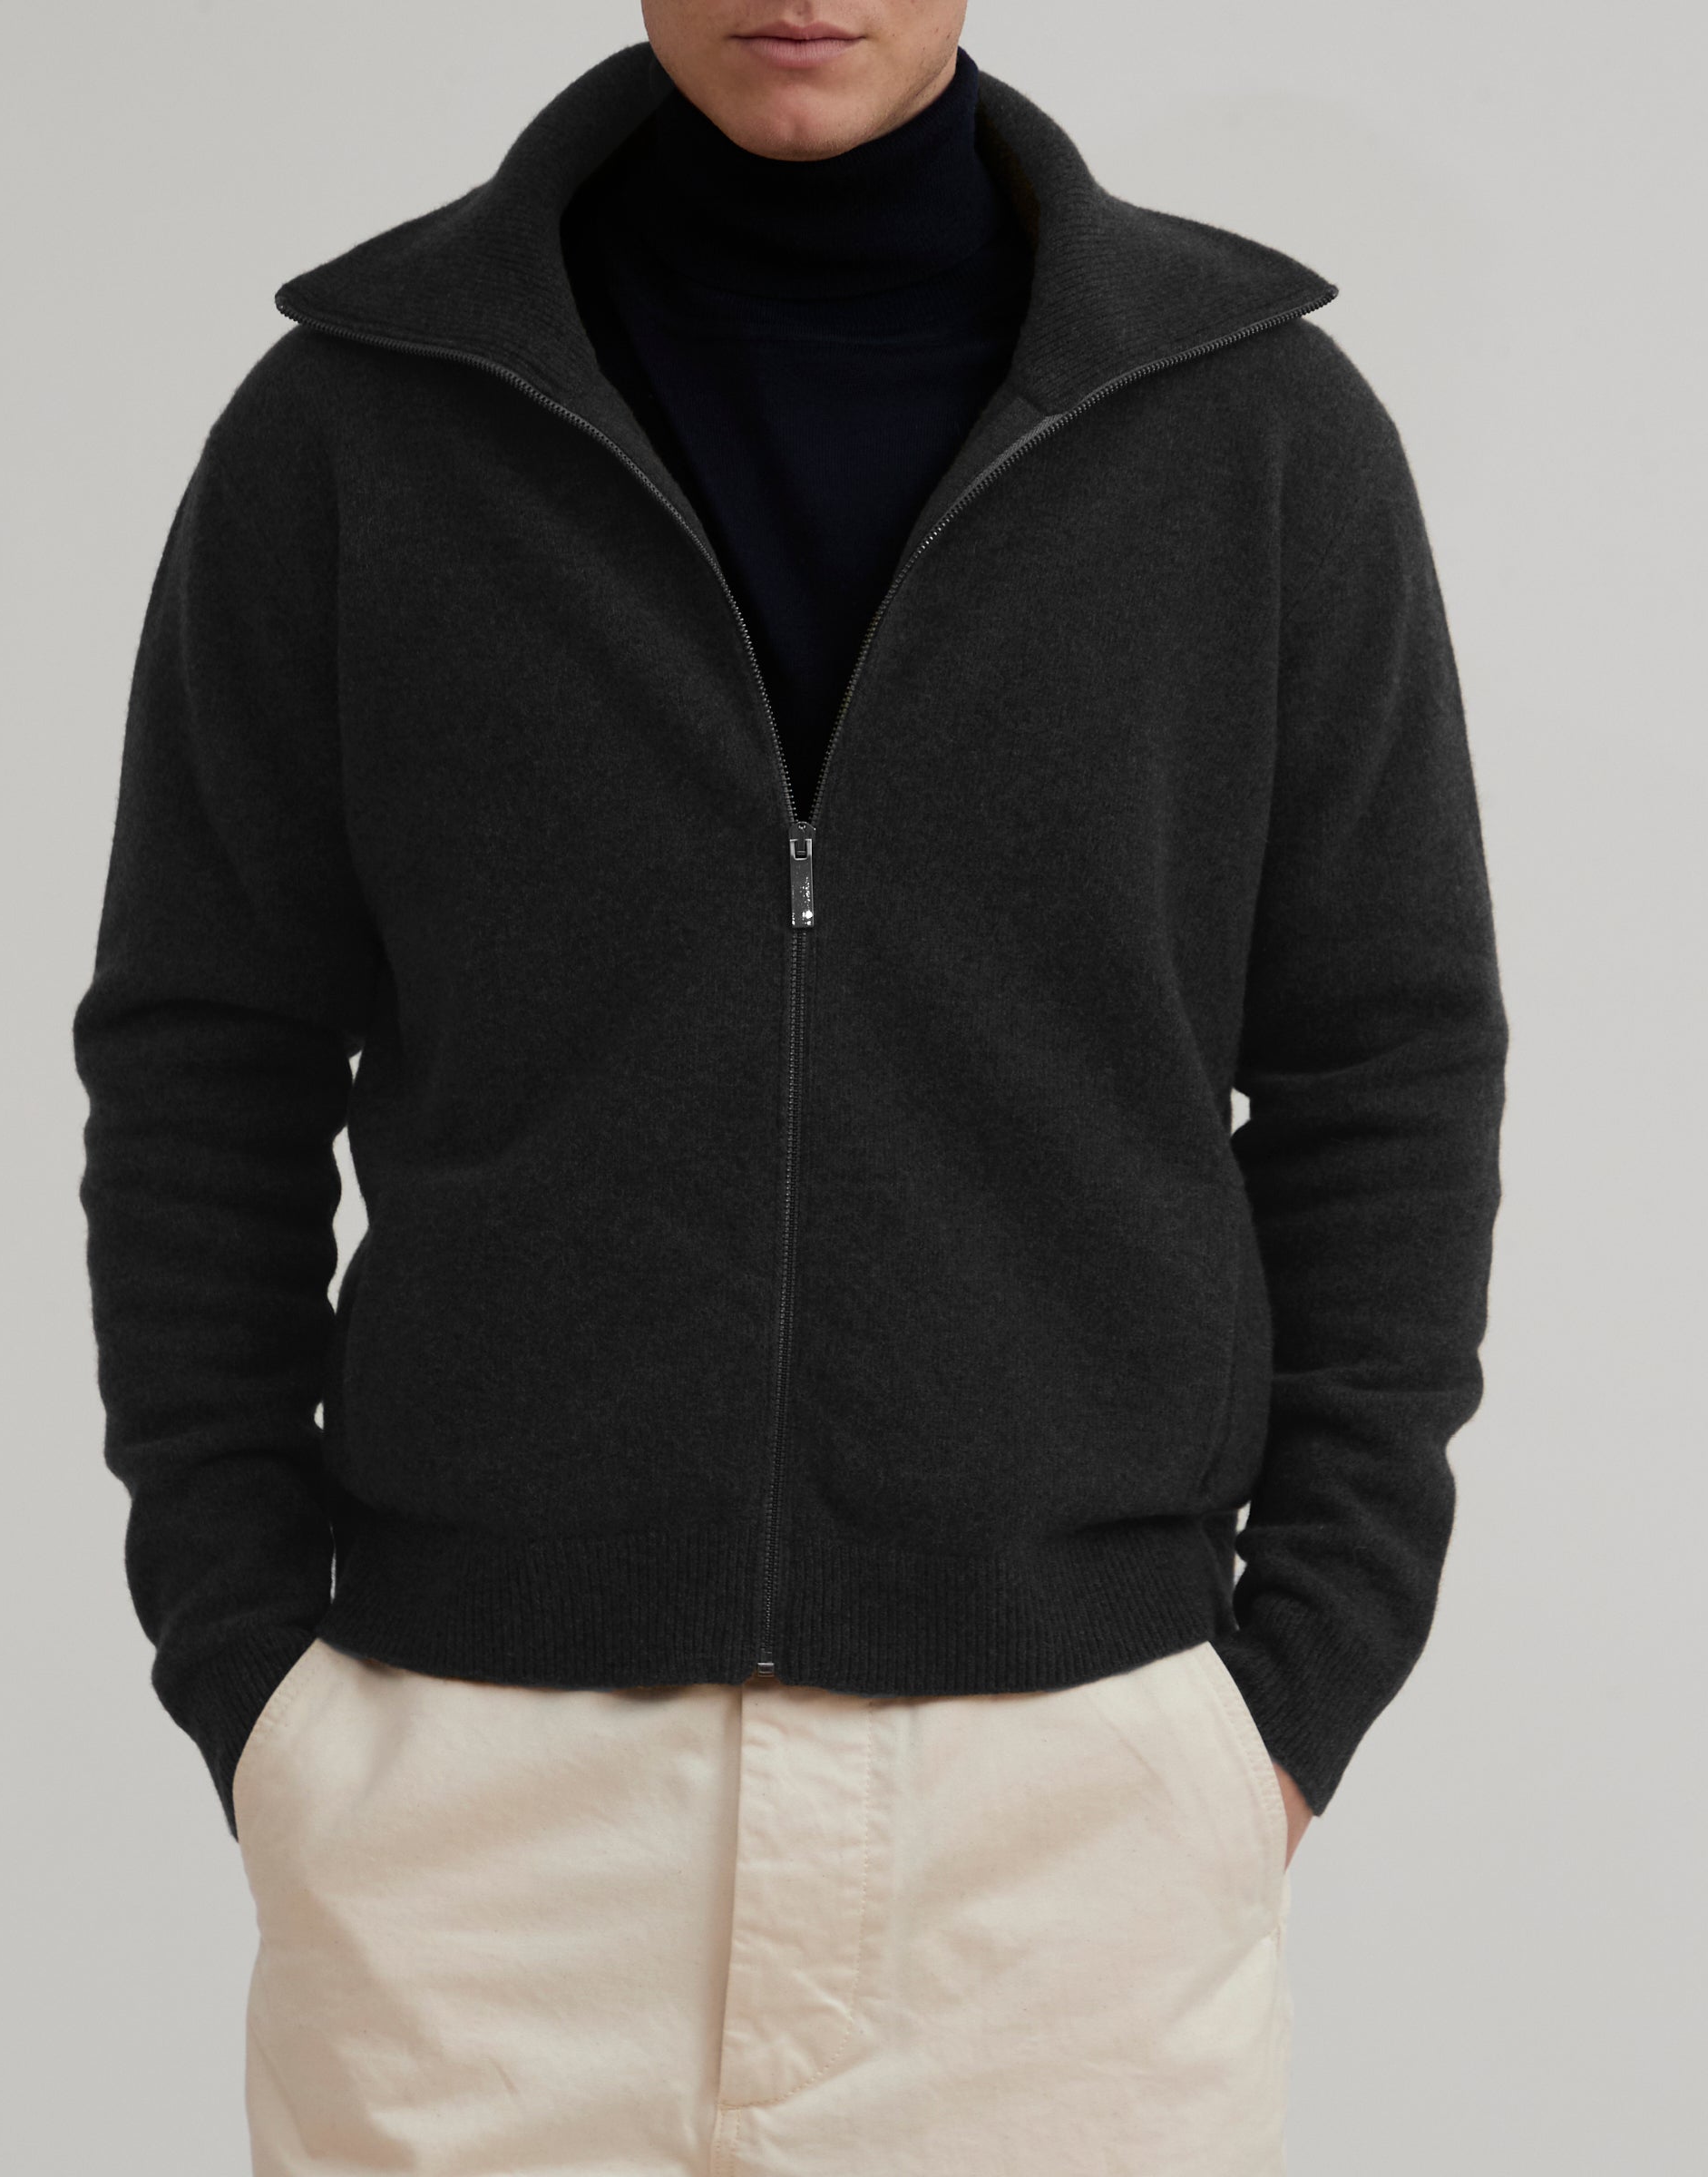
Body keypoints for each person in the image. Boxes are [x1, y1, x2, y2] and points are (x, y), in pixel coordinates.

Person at [73, 3, 1507, 2171]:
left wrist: (1290, 1693)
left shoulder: (1255, 435)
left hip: (1069, 1837)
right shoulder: (359, 427)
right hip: (475, 1829)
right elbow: (206, 1059)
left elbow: (1384, 1062)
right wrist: (252, 1672)